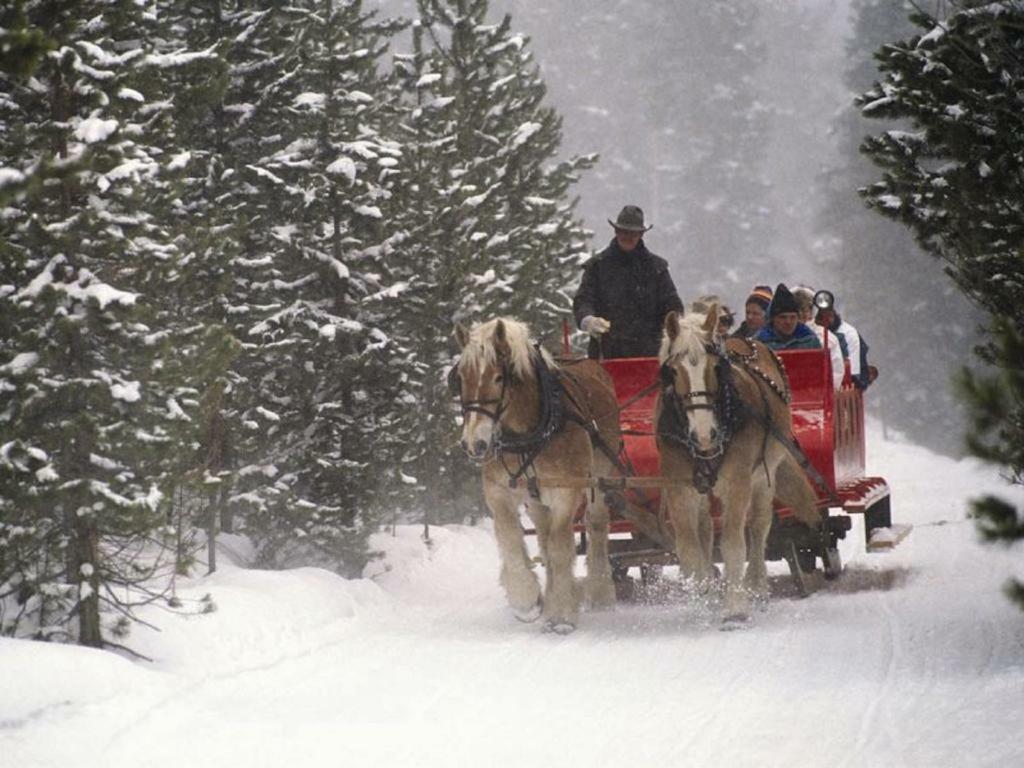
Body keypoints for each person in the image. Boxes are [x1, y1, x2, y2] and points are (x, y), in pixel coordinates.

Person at [572, 205, 684, 358]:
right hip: (606, 355)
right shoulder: (597, 267)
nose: (628, 237)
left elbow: (673, 305)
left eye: (633, 233)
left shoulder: (657, 269)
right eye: (624, 231)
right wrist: (589, 320)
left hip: (652, 355)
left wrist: (673, 325)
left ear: (641, 235)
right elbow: (583, 301)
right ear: (616, 231)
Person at [814, 290, 874, 389]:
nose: (827, 320)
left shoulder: (847, 334)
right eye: (820, 318)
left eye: (830, 316)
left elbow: (852, 374)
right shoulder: (807, 335)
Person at [793, 285, 845, 389]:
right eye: (796, 310)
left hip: (817, 395)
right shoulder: (778, 335)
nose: (800, 314)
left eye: (804, 309)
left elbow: (836, 373)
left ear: (812, 311)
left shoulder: (825, 338)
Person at [755, 283, 822, 351]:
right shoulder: (759, 343)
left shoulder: (809, 341)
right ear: (773, 318)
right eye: (783, 317)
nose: (788, 322)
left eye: (793, 317)